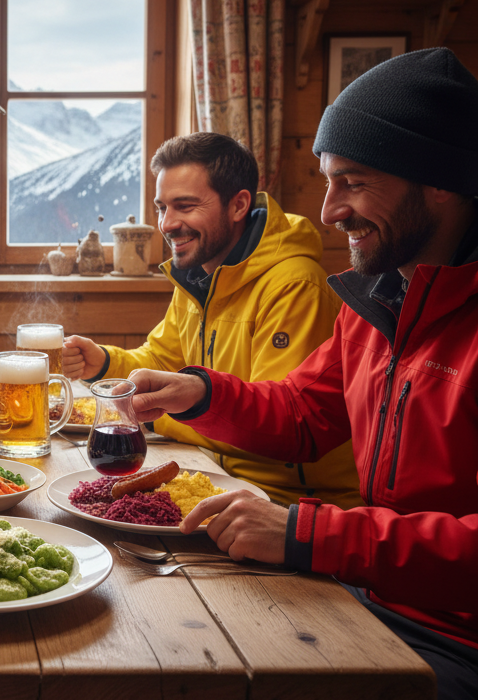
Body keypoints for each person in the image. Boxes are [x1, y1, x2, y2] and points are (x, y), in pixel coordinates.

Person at [126, 48, 478, 699]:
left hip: (458, 640)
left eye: (354, 181)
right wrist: (204, 393)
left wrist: (311, 533)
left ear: (441, 179)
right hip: (375, 595)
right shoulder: (377, 302)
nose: (329, 211)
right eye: (327, 182)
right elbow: (303, 417)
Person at [62, 132, 361, 508]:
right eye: (161, 208)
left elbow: (276, 431)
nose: (167, 224)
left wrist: (156, 415)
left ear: (238, 205)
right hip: (212, 481)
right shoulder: (199, 274)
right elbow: (160, 360)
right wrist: (104, 363)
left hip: (291, 505)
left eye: (185, 206)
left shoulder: (295, 285)